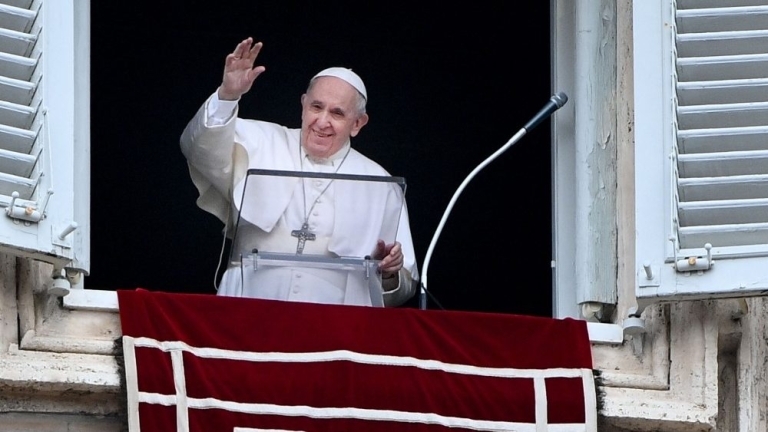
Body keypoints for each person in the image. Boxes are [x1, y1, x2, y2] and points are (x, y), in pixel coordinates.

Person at [180, 37, 418, 307]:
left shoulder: (380, 184)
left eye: (337, 113)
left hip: (335, 320)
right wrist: (227, 96)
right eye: (316, 107)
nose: (322, 121)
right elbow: (198, 148)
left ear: (357, 123)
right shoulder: (262, 139)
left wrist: (388, 272)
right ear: (303, 104)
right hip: (250, 303)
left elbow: (402, 288)